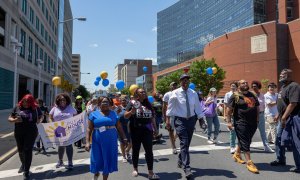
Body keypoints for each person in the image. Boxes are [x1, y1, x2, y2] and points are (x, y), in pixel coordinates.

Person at [166, 74, 205, 178]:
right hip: (180, 121)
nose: (185, 82)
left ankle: (180, 159)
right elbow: (170, 108)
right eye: (183, 80)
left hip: (191, 120)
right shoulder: (175, 93)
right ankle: (187, 167)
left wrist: (201, 120)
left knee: (186, 144)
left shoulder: (193, 93)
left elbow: (197, 108)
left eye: (187, 80)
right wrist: (168, 121)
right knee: (184, 142)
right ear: (180, 82)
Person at [85, 96, 127, 180]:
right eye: (103, 102)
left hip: (110, 141)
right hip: (97, 141)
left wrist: (124, 138)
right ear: (99, 104)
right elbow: (89, 129)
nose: (105, 103)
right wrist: (87, 142)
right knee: (97, 159)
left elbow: (119, 126)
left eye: (107, 102)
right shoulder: (93, 114)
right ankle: (96, 173)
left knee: (107, 159)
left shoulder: (113, 113)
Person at [124, 88, 160, 179]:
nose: (143, 93)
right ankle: (135, 169)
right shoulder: (132, 103)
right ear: (137, 94)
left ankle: (150, 172)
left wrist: (155, 129)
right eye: (141, 92)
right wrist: (131, 112)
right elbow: (125, 116)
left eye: (144, 91)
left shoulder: (148, 104)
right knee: (136, 150)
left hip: (147, 130)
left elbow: (152, 117)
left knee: (149, 151)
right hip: (135, 130)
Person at [226, 80, 260, 174]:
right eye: (242, 83)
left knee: (247, 139)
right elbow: (229, 110)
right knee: (245, 141)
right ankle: (249, 162)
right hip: (240, 122)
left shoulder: (252, 95)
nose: (245, 84)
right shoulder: (235, 96)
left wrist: (257, 119)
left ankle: (237, 154)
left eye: (246, 82)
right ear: (238, 86)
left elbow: (257, 107)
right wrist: (229, 122)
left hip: (253, 122)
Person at [270, 69, 300, 173]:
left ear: (290, 76)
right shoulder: (283, 87)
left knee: (296, 143)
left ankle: (299, 166)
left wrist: (283, 118)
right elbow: (282, 103)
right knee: (279, 139)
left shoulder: (294, 86)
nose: (281, 76)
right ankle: (280, 159)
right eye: (281, 74)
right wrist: (279, 115)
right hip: (283, 118)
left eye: (284, 74)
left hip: (293, 118)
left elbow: (293, 103)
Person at [8, 94, 43, 180]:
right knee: (20, 150)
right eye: (24, 102)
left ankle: (26, 171)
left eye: (28, 102)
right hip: (19, 132)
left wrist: (40, 120)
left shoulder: (36, 108)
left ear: (31, 102)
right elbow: (10, 118)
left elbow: (41, 116)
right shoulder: (17, 107)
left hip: (31, 132)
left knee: (27, 150)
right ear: (22, 101)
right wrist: (15, 120)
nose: (25, 104)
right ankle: (23, 164)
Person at [49, 93, 77, 170]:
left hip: (69, 130)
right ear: (58, 100)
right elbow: (50, 117)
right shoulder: (55, 108)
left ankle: (70, 162)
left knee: (69, 145)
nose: (62, 101)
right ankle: (60, 161)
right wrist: (52, 123)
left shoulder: (70, 108)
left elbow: (76, 117)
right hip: (58, 129)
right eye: (60, 100)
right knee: (60, 145)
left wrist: (74, 125)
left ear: (66, 100)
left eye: (64, 99)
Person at [251, 80, 274, 152]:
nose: (254, 87)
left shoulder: (262, 96)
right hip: (252, 116)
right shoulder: (250, 95)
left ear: (259, 87)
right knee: (250, 131)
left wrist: (267, 114)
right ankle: (246, 145)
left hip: (261, 115)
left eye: (255, 86)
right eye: (253, 86)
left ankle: (266, 146)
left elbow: (265, 106)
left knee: (263, 132)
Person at [162, 82, 178, 154]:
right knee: (171, 130)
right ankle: (174, 147)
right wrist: (164, 117)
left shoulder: (179, 93)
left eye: (175, 85)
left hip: (179, 114)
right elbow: (164, 106)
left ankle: (173, 140)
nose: (174, 86)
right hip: (170, 115)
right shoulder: (167, 94)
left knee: (179, 131)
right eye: (173, 85)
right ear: (170, 86)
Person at [224, 81, 238, 154]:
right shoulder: (227, 94)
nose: (232, 87)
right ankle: (232, 146)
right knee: (232, 131)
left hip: (238, 115)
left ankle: (238, 146)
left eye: (234, 86)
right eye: (231, 86)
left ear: (236, 87)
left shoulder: (239, 94)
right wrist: (225, 115)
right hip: (231, 114)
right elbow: (226, 106)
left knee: (239, 131)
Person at [118, 97, 132, 163]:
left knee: (131, 141)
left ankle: (127, 151)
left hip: (129, 126)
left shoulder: (129, 107)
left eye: (125, 100)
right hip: (121, 127)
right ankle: (124, 156)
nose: (124, 101)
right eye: (122, 100)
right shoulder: (118, 108)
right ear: (120, 101)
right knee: (122, 142)